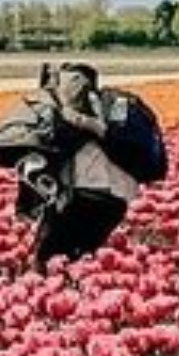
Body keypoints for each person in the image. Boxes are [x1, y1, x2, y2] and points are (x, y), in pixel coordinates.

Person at [31, 63, 139, 268]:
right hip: (114, 204)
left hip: (80, 200)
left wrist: (51, 98)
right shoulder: (113, 112)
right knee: (84, 261)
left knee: (46, 260)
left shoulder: (69, 119)